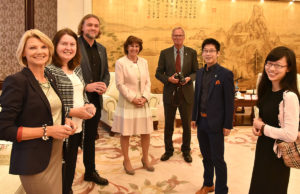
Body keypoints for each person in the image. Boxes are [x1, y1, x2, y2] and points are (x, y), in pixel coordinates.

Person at [0, 29, 76, 194]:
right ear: (24, 54)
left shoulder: (50, 79)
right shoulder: (16, 82)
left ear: (49, 51)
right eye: (33, 48)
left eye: (43, 47)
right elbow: (4, 129)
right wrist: (48, 130)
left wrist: (64, 121)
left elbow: (49, 111)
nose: (39, 51)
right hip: (32, 159)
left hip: (55, 153)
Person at [45, 28, 96, 194]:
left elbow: (81, 93)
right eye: (64, 43)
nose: (68, 47)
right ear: (55, 46)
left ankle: (66, 189)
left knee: (71, 165)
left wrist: (88, 105)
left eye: (72, 44)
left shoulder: (77, 68)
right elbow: (47, 104)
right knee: (59, 167)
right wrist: (74, 112)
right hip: (60, 128)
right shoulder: (49, 70)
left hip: (78, 127)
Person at [249, 46, 300, 194]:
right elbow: (262, 115)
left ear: (288, 68)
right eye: (269, 63)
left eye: (278, 65)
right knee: (258, 186)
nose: (271, 68)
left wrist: (263, 128)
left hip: (278, 153)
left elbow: (290, 134)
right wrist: (256, 125)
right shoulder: (266, 89)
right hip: (263, 147)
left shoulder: (289, 96)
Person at [191, 38, 234, 194]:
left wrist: (228, 124)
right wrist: (194, 117)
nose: (208, 54)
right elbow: (198, 96)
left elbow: (230, 102)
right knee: (206, 157)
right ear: (202, 53)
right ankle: (208, 184)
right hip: (202, 122)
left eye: (211, 51)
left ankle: (222, 190)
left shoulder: (225, 74)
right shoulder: (200, 72)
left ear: (218, 53)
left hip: (216, 123)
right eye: (205, 51)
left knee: (218, 159)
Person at [111, 36, 154, 175]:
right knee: (126, 132)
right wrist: (133, 98)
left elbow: (148, 82)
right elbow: (120, 84)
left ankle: (145, 158)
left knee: (146, 131)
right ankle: (127, 160)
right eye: (131, 46)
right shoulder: (120, 63)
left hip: (142, 102)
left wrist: (144, 97)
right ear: (127, 47)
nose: (134, 48)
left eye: (137, 46)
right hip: (128, 102)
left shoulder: (144, 62)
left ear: (139, 48)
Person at [155, 27, 198, 163]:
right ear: (172, 37)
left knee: (186, 124)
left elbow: (196, 72)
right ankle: (168, 150)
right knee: (168, 124)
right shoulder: (165, 53)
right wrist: (168, 79)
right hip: (170, 93)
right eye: (175, 36)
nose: (178, 38)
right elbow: (158, 73)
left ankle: (186, 151)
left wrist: (189, 79)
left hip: (186, 94)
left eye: (180, 36)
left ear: (184, 37)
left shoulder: (192, 52)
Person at [77, 14, 110, 185]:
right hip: (76, 101)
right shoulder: (73, 45)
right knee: (72, 138)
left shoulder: (102, 49)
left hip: (95, 101)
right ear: (82, 27)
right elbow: (65, 73)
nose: (93, 28)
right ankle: (64, 174)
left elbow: (106, 74)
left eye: (96, 25)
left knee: (90, 138)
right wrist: (85, 86)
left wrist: (104, 85)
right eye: (89, 25)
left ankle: (90, 171)